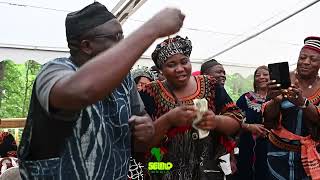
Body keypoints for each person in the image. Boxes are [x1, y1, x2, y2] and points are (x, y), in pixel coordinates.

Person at [17, 2, 185, 179]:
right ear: (86, 46)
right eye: (116, 37)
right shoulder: (53, 72)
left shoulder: (124, 77)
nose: (123, 44)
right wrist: (152, 29)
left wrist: (147, 128)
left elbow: (141, 119)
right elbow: (82, 92)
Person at [139, 36, 244, 180]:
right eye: (171, 65)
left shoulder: (211, 84)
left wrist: (216, 121)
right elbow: (140, 143)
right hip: (162, 170)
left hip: (207, 170)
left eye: (184, 62)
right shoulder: (149, 92)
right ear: (161, 70)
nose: (180, 69)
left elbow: (236, 119)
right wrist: (168, 120)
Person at [263, 36, 320, 179]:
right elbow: (268, 121)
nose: (306, 62)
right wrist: (275, 101)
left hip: (310, 157)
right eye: (302, 57)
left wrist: (303, 103)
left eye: (313, 59)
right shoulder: (284, 80)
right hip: (278, 155)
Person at [235, 66, 270, 180]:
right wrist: (249, 127)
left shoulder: (280, 98)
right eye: (258, 75)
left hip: (272, 150)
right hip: (247, 148)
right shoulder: (245, 98)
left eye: (265, 74)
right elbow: (233, 120)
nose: (261, 77)